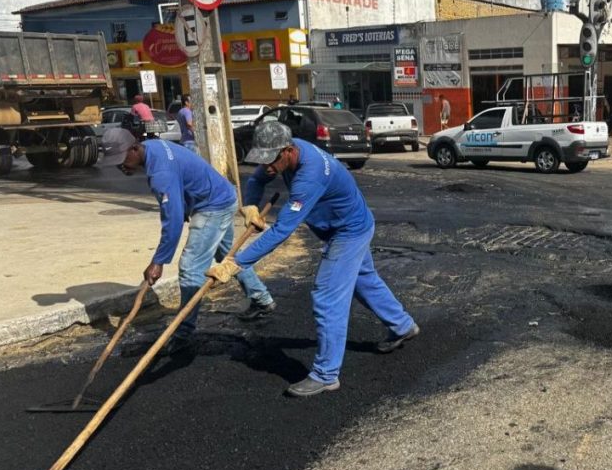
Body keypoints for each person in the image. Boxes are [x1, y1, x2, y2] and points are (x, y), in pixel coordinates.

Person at [207, 122, 419, 397]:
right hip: (343, 226)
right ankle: (402, 325)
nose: (266, 167)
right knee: (363, 280)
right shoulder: (285, 154)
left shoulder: (310, 176)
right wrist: (251, 205)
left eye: (270, 161)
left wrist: (237, 262)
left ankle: (326, 374)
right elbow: (258, 179)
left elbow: (283, 229)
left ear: (287, 151)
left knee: (327, 294)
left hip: (349, 231)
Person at [99, 128, 276, 352]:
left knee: (191, 267)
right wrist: (181, 206)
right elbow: (178, 183)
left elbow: (171, 221)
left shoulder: (159, 171)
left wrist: (159, 261)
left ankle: (183, 332)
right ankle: (262, 300)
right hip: (220, 196)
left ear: (134, 148)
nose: (121, 166)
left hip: (213, 206)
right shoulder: (152, 148)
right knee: (228, 256)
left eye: (122, 159)